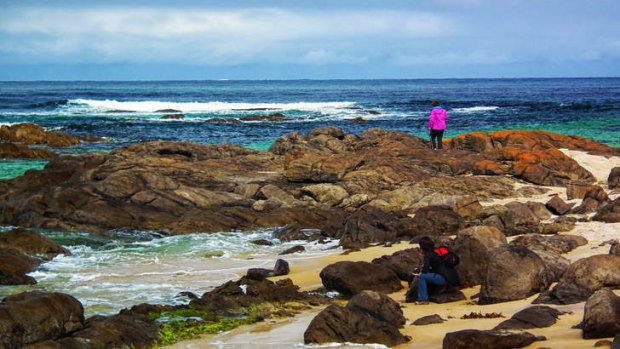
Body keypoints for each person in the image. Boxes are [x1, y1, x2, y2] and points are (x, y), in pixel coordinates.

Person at [411, 236, 460, 304]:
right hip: (453, 277)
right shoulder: (438, 250)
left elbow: (425, 270)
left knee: (422, 277)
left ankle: (423, 299)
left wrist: (419, 273)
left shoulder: (428, 255)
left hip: (444, 279)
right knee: (425, 276)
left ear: (422, 247)